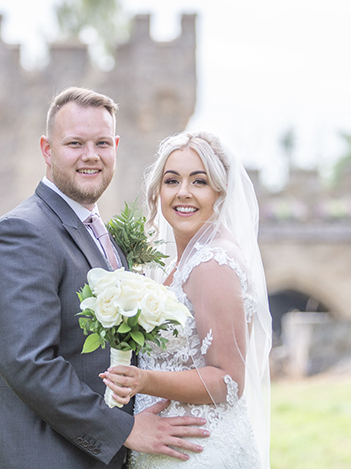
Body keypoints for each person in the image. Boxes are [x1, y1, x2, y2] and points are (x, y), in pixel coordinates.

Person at [0, 87, 209, 469]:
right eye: (74, 143)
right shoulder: (20, 234)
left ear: (115, 146)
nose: (91, 155)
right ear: (47, 150)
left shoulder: (103, 234)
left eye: (102, 143)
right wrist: (123, 430)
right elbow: (30, 363)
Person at [100, 131, 272, 468]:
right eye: (172, 180)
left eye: (199, 181)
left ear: (219, 191)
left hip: (197, 452)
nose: (183, 192)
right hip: (170, 447)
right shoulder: (182, 262)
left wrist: (144, 380)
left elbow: (228, 379)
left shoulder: (212, 264)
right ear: (158, 191)